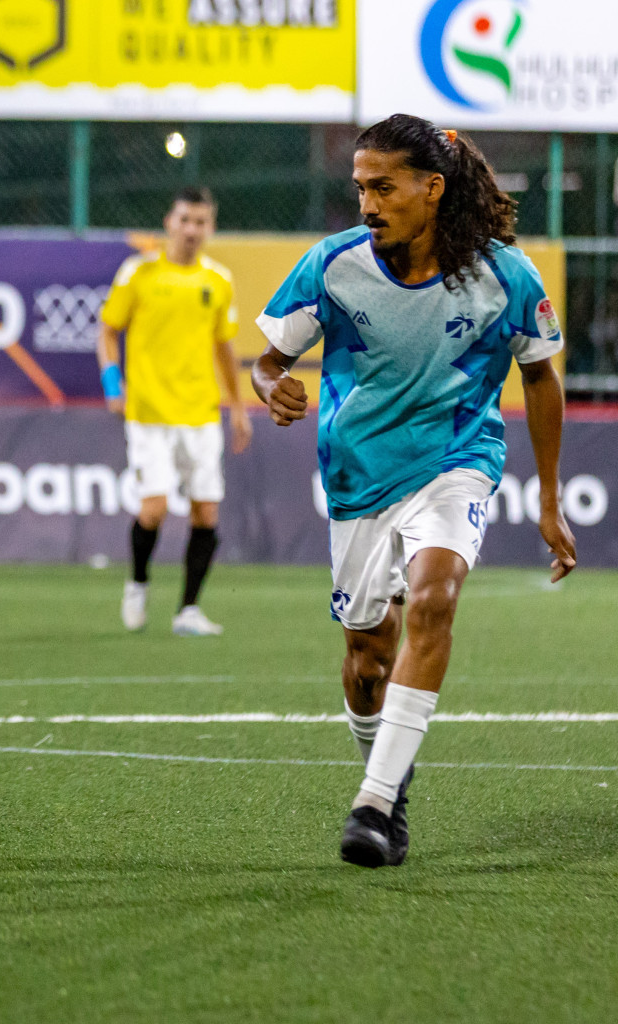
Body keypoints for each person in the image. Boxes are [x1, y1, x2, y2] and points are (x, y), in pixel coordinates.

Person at [251, 114, 576, 868]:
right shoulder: (332, 266)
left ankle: (372, 802)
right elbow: (268, 361)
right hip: (359, 475)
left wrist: (551, 499)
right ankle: (390, 773)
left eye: (383, 187)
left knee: (433, 600)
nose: (367, 202)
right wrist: (275, 388)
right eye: (360, 187)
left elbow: (540, 374)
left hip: (457, 460)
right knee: (369, 658)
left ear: (432, 188)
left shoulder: (505, 277)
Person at [99, 186, 252, 636]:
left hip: (202, 414)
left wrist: (239, 408)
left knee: (206, 513)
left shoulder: (218, 280)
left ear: (211, 227)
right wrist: (114, 383)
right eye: (185, 219)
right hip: (148, 413)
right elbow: (107, 332)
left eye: (201, 221)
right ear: (169, 222)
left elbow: (224, 347)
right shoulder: (138, 272)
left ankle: (188, 610)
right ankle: (138, 583)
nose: (192, 229)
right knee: (155, 509)